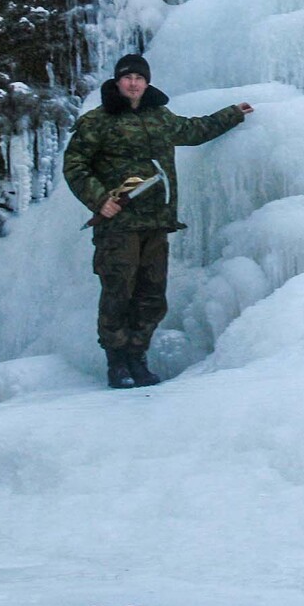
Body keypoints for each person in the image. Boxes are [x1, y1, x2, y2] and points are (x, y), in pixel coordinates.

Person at [63, 53, 253, 389]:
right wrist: (100, 200)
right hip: (119, 225)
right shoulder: (98, 121)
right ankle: (116, 362)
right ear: (117, 82)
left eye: (139, 77)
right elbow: (75, 165)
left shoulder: (160, 117)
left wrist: (233, 115)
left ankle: (137, 356)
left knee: (152, 295)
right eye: (127, 77)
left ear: (147, 82)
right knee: (117, 293)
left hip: (156, 222)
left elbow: (195, 130)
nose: (133, 83)